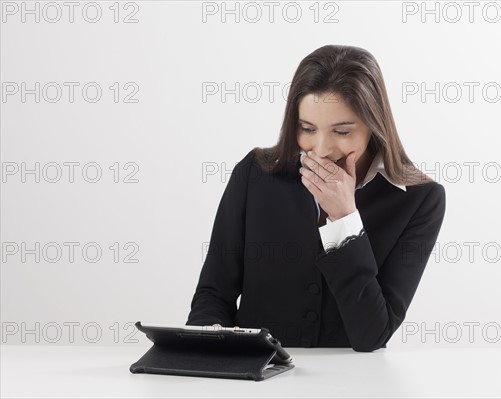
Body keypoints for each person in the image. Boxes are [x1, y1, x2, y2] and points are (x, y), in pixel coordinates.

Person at [185, 44, 446, 352]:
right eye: (307, 128)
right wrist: (209, 343)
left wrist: (345, 220)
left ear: (374, 127)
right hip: (255, 382)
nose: (320, 149)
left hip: (353, 385)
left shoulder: (420, 200)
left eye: (342, 132)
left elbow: (372, 335)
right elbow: (214, 295)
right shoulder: (254, 175)